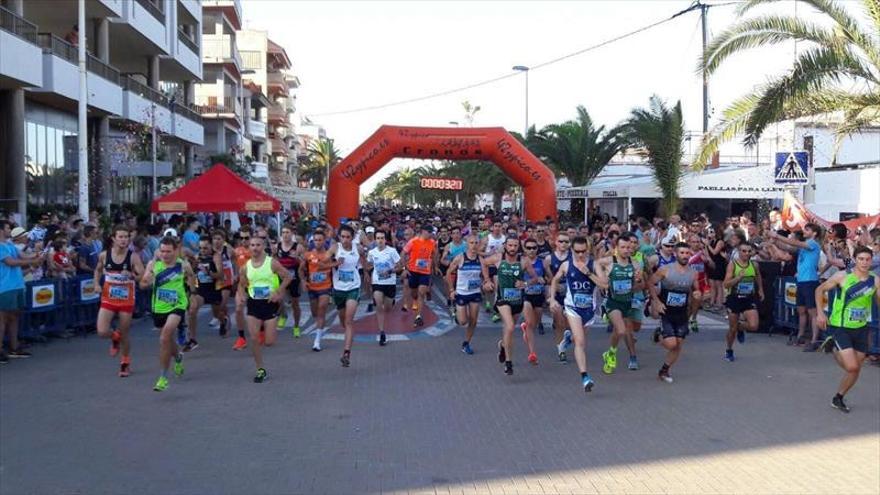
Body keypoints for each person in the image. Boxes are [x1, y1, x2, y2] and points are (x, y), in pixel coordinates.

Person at [815, 247, 880, 412]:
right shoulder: (843, 276)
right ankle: (835, 347)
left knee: (855, 368)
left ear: (871, 261)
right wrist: (821, 314)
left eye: (867, 259)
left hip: (861, 327)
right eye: (861, 259)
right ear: (855, 259)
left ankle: (838, 398)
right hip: (840, 326)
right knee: (851, 367)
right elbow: (819, 290)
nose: (864, 263)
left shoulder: (875, 280)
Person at [549, 236, 606, 392]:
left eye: (583, 251)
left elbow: (604, 284)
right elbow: (554, 280)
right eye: (577, 252)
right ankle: (585, 377)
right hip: (572, 307)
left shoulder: (594, 265)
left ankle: (568, 338)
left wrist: (589, 274)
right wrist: (552, 299)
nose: (580, 255)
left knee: (576, 339)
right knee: (580, 342)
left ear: (587, 250)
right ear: (571, 250)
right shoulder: (566, 265)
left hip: (589, 309)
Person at [140, 236, 196, 392]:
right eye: (162, 251)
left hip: (177, 305)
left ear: (175, 251)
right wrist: (148, 280)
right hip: (159, 307)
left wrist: (192, 294)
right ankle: (177, 357)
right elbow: (143, 283)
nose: (165, 255)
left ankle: (163, 378)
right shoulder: (153, 265)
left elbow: (191, 277)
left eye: (168, 251)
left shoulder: (183, 265)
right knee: (167, 340)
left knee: (164, 337)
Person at [237, 235, 292, 382]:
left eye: (258, 245)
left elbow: (288, 277)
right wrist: (242, 295)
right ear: (249, 247)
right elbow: (241, 283)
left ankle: (274, 319)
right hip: (254, 304)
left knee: (269, 342)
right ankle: (260, 369)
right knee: (254, 339)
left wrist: (278, 292)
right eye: (252, 245)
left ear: (263, 247)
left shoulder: (271, 263)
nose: (255, 248)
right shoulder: (246, 266)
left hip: (269, 304)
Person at [93, 225, 144, 377]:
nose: (124, 240)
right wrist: (96, 283)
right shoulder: (104, 255)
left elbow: (142, 275)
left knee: (125, 333)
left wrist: (132, 275)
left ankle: (125, 363)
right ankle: (114, 337)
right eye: (120, 237)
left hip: (126, 299)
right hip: (109, 297)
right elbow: (97, 269)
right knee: (102, 331)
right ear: (113, 238)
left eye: (126, 237)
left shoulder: (133, 256)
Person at [648, 242, 701, 383]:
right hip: (666, 311)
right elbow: (650, 283)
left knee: (678, 344)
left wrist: (697, 294)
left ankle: (664, 370)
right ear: (676, 254)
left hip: (682, 313)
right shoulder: (665, 270)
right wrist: (656, 302)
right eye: (682, 253)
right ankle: (659, 335)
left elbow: (696, 290)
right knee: (671, 344)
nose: (685, 256)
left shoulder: (693, 273)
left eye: (687, 253)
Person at [483, 237, 536, 376]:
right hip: (502, 300)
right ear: (505, 245)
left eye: (515, 245)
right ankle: (508, 363)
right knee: (511, 326)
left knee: (508, 331)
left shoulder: (523, 261)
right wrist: (487, 280)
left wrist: (525, 284)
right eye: (510, 245)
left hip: (517, 301)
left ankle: (502, 346)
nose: (512, 248)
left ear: (519, 247)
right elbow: (484, 263)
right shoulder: (498, 258)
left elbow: (535, 278)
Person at [597, 235, 645, 375]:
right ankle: (611, 353)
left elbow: (639, 284)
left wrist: (637, 280)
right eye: (622, 247)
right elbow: (596, 263)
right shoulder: (610, 261)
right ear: (616, 248)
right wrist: (602, 278)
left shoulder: (635, 263)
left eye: (629, 247)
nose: (626, 250)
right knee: (622, 330)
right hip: (613, 302)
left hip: (627, 302)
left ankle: (610, 353)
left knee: (620, 331)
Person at [771, 224, 823, 350]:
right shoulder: (804, 246)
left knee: (812, 312)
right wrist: (774, 242)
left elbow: (794, 243)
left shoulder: (813, 244)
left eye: (807, 229)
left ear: (814, 233)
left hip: (810, 281)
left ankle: (814, 340)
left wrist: (777, 236)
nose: (804, 231)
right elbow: (788, 247)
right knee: (801, 311)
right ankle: (800, 336)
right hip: (801, 281)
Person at [0, 221, 44, 363]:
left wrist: (37, 256)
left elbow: (23, 256)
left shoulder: (9, 244)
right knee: (3, 319)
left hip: (17, 285)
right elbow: (11, 262)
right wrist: (32, 261)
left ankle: (14, 347)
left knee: (14, 317)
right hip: (4, 287)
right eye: (7, 228)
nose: (9, 230)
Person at [328, 225, 365, 367]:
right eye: (342, 237)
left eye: (348, 237)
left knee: (349, 321)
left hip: (353, 287)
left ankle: (346, 353)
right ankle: (349, 335)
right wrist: (335, 263)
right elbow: (322, 263)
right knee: (344, 321)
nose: (345, 240)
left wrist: (369, 270)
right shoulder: (334, 248)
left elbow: (365, 264)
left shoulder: (358, 248)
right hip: (338, 289)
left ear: (352, 237)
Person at [722, 242, 764, 362]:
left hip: (748, 298)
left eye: (749, 251)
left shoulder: (754, 264)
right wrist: (738, 278)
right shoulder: (732, 265)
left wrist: (760, 289)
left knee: (754, 326)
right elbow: (725, 284)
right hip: (734, 298)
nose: (746, 253)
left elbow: (758, 276)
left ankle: (740, 328)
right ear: (738, 252)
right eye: (743, 251)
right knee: (732, 329)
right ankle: (729, 350)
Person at [184, 236, 224, 352]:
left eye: (205, 248)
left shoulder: (216, 257)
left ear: (211, 246)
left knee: (217, 314)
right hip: (201, 290)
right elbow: (191, 273)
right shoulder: (197, 257)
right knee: (192, 309)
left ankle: (223, 320)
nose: (203, 251)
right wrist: (193, 267)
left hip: (214, 289)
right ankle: (192, 339)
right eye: (200, 248)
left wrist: (208, 272)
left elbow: (220, 275)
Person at [446, 235, 483, 355]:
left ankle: (466, 343)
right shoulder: (460, 258)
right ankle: (456, 313)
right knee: (463, 322)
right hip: (462, 293)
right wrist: (451, 290)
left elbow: (485, 274)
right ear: (467, 244)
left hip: (475, 293)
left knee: (473, 321)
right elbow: (448, 273)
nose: (474, 245)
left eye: (476, 243)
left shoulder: (481, 259)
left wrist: (486, 282)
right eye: (471, 243)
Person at [366, 230, 401, 346]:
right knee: (378, 304)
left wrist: (390, 270)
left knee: (387, 308)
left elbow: (400, 266)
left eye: (382, 238)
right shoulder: (372, 252)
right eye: (378, 238)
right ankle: (382, 332)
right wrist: (368, 272)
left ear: (385, 240)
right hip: (377, 282)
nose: (380, 240)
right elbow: (368, 264)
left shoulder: (392, 251)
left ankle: (391, 302)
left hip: (390, 283)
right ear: (375, 239)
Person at [302, 229, 334, 352]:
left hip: (325, 287)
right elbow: (301, 270)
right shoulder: (308, 255)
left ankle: (317, 341)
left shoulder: (329, 255)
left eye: (320, 240)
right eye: (315, 240)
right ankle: (319, 328)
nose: (317, 242)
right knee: (315, 313)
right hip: (312, 288)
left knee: (321, 310)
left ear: (324, 241)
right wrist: (303, 281)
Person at [546, 231, 573, 362]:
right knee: (559, 322)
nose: (563, 244)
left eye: (566, 241)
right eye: (561, 241)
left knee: (569, 325)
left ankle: (567, 339)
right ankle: (560, 349)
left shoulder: (573, 257)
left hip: (570, 294)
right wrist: (551, 295)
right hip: (556, 294)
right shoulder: (549, 259)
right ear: (555, 242)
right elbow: (549, 278)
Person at [402, 226, 437, 328]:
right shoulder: (413, 241)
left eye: (431, 232)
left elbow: (435, 254)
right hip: (413, 271)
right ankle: (415, 300)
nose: (430, 234)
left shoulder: (432, 242)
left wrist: (435, 266)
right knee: (414, 292)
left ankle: (418, 316)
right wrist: (405, 268)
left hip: (425, 272)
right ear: (423, 231)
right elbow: (403, 253)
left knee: (421, 292)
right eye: (428, 231)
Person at [520, 238, 547, 365]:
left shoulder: (542, 262)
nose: (531, 250)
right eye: (529, 248)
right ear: (525, 249)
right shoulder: (521, 262)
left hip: (538, 295)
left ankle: (526, 328)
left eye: (534, 248)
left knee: (534, 324)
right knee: (530, 322)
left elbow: (550, 277)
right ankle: (532, 353)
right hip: (525, 295)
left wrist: (544, 279)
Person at [276, 224, 304, 338]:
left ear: (292, 234)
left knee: (295, 303)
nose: (285, 235)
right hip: (282, 276)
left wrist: (296, 258)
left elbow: (303, 263)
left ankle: (296, 326)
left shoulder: (298, 247)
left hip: (293, 277)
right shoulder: (277, 246)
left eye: (287, 232)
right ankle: (283, 315)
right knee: (278, 299)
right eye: (283, 232)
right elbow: (274, 260)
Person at [231, 229, 252, 350]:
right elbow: (234, 262)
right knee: (239, 309)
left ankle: (261, 331)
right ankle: (241, 338)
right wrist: (235, 274)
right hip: (242, 285)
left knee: (256, 311)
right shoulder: (237, 251)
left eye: (246, 238)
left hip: (256, 285)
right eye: (242, 238)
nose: (244, 241)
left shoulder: (257, 250)